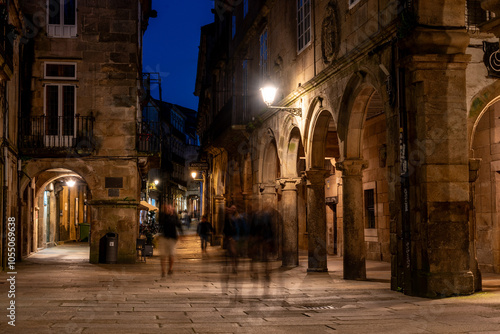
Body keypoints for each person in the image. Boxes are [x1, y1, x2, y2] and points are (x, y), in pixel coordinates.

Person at [158, 204, 183, 277]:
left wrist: (182, 234)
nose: (168, 209)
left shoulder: (174, 216)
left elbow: (178, 224)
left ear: (172, 209)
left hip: (172, 238)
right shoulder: (162, 215)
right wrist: (166, 214)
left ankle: (170, 268)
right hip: (163, 237)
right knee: (163, 255)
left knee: (171, 254)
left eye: (169, 208)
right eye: (167, 208)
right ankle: (163, 270)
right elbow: (161, 222)